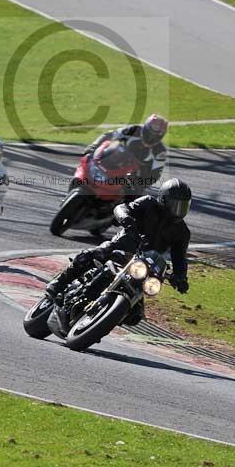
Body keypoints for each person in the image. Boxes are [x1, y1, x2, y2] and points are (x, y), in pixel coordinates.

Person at [46, 178, 192, 324]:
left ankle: (108, 315)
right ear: (163, 199)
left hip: (145, 263)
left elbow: (180, 257)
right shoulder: (148, 203)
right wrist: (127, 220)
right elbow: (122, 208)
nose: (178, 210)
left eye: (183, 206)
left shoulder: (182, 232)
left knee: (135, 316)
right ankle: (59, 283)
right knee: (90, 256)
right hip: (123, 245)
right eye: (175, 205)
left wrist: (181, 277)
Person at [83, 114, 168, 196]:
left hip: (137, 175)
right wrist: (92, 147)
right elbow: (109, 135)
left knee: (132, 198)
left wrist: (142, 183)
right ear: (145, 128)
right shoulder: (133, 130)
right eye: (149, 134)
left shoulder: (160, 151)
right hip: (118, 160)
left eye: (154, 137)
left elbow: (156, 173)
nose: (150, 138)